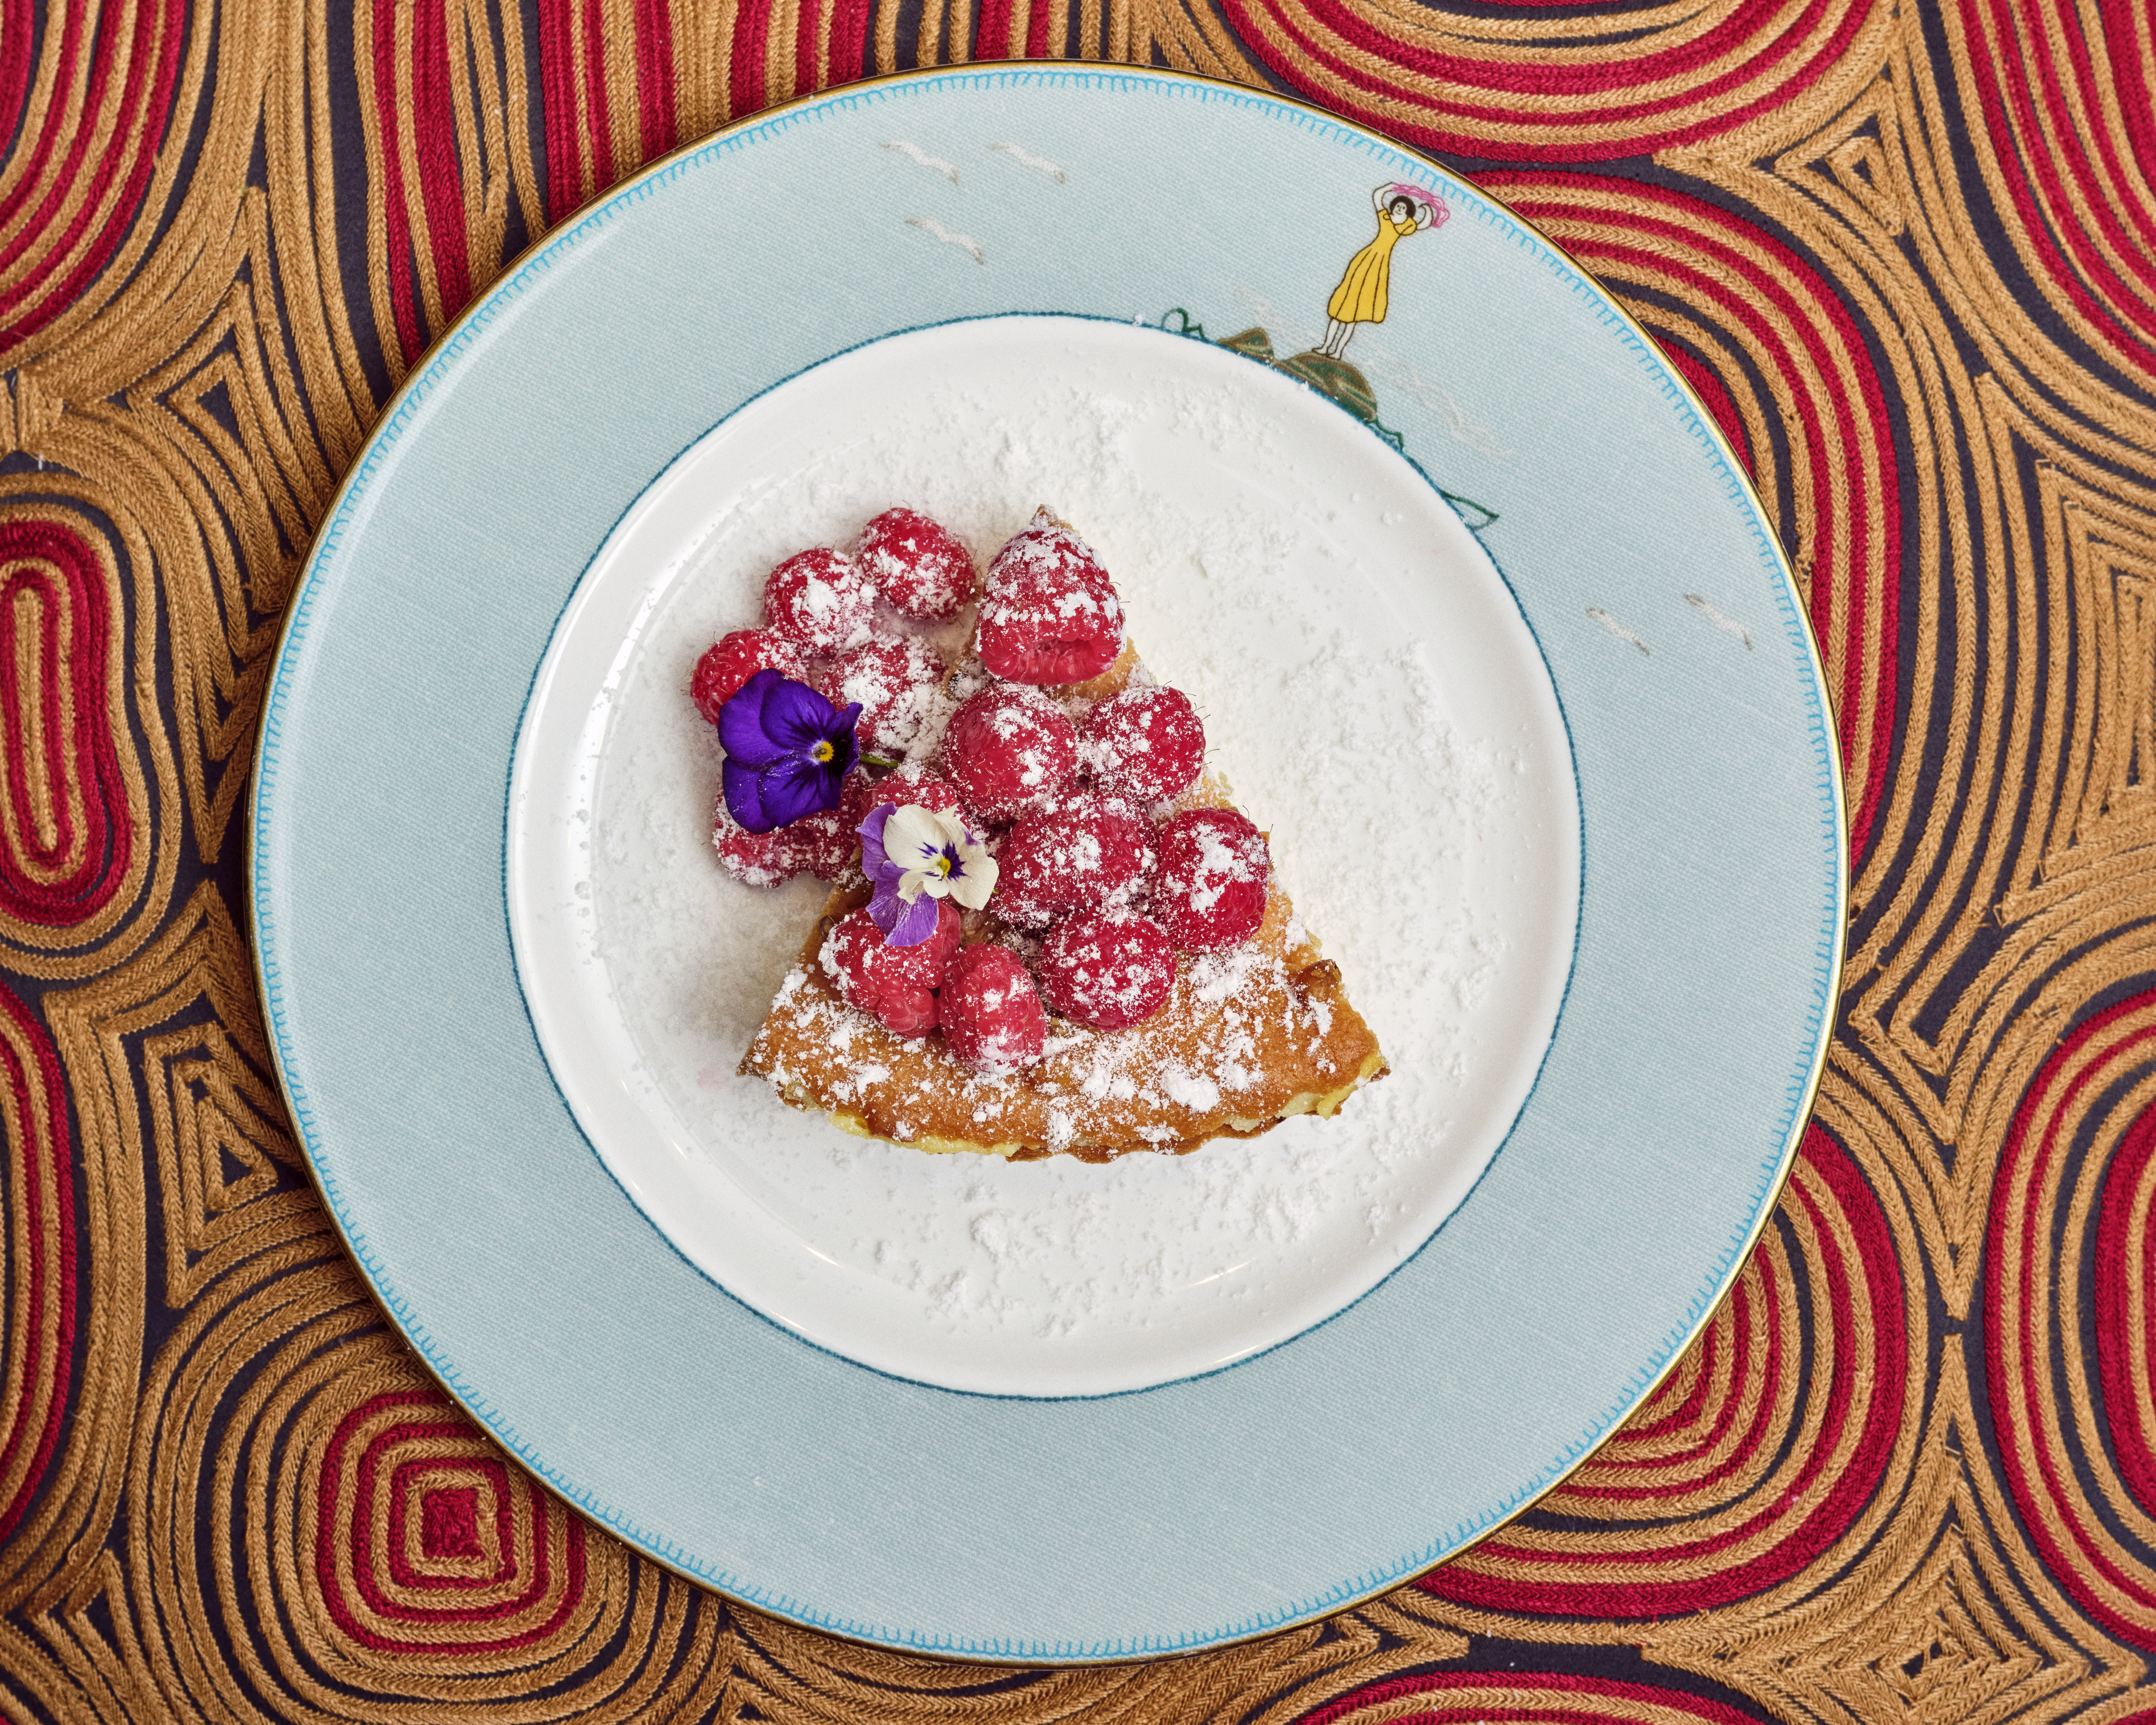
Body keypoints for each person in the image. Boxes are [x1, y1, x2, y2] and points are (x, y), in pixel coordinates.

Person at [1321, 183, 1445, 358]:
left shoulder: (1406, 226)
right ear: (1394, 207)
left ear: (1408, 212)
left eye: (1404, 208)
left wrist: (1429, 210)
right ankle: (1326, 347)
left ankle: (1338, 352)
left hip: (1380, 265)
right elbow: (1378, 197)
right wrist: (1391, 187)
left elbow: (1424, 224)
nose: (1400, 208)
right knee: (1345, 298)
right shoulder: (1385, 218)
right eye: (1398, 206)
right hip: (1366, 258)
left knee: (1355, 314)